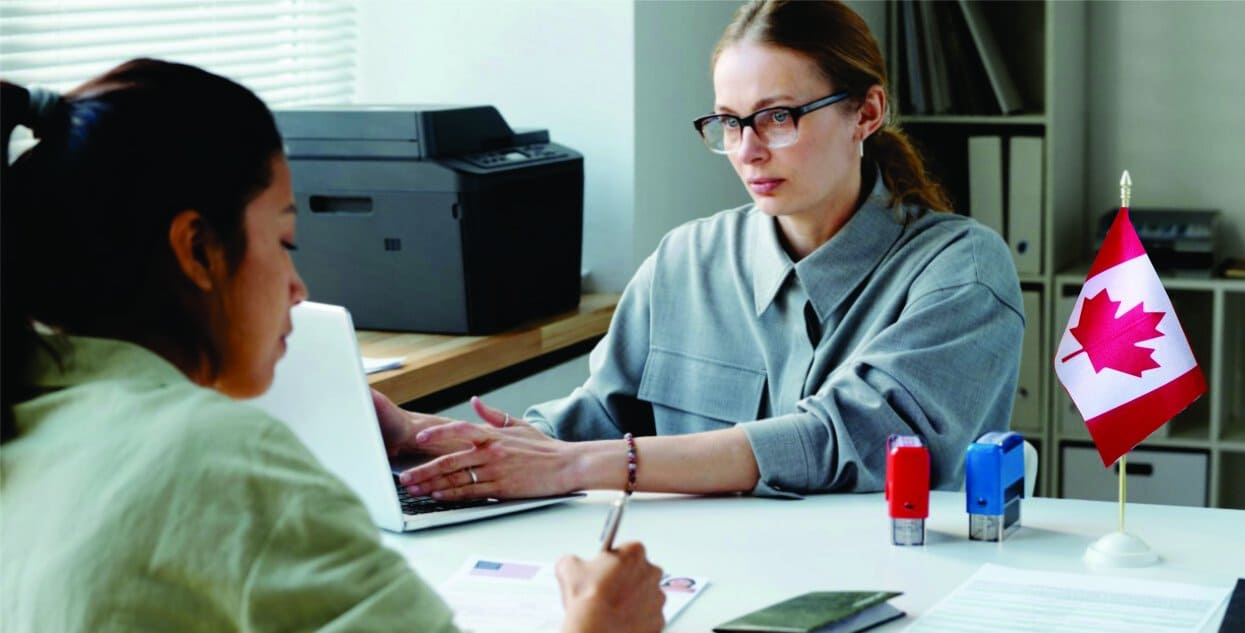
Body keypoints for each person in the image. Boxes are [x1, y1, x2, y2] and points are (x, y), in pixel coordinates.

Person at [0, 60, 665, 632]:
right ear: (199, 249)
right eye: (285, 241)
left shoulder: (28, 412)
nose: (297, 286)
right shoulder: (217, 457)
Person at [387, 0, 1024, 501]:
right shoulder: (684, 260)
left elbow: (842, 440)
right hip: (692, 584)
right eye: (728, 120)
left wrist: (574, 464)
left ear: (866, 113)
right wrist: (422, 435)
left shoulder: (961, 271)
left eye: (778, 116)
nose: (746, 149)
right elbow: (590, 424)